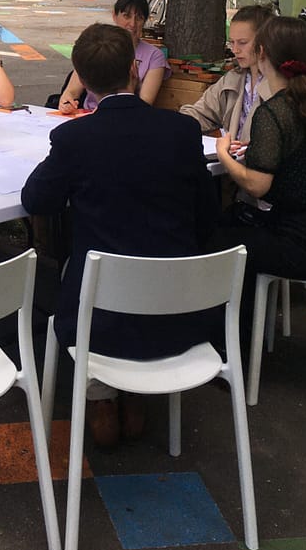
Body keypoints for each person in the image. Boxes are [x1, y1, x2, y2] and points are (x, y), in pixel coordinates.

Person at [22, 23, 218, 449]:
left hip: (99, 323)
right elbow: (206, 217)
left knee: (81, 268)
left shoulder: (75, 139)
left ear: (83, 78)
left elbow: (36, 200)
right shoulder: (181, 133)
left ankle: (101, 397)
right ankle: (129, 397)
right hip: (180, 314)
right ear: (134, 68)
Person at [210, 16, 306, 329]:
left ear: (261, 53)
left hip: (304, 243)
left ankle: (231, 341)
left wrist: (225, 154)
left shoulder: (273, 112)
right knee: (233, 224)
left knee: (218, 241)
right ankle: (246, 339)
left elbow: (257, 186)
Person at [58, 0, 170, 112]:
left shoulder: (154, 56)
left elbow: (144, 103)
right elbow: (71, 92)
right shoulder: (98, 46)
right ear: (114, 16)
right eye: (126, 16)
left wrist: (106, 110)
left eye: (139, 18)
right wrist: (67, 103)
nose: (132, 24)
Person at [180, 4, 273, 143]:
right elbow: (202, 113)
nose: (235, 50)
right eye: (232, 42)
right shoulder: (233, 78)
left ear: (264, 42)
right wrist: (175, 122)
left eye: (242, 42)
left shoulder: (278, 83)